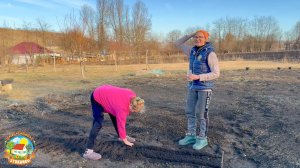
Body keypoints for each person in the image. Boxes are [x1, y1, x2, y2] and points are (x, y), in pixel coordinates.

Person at [175, 30, 220, 150]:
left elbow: (216, 73)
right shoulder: (192, 50)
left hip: (205, 89)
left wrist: (198, 77)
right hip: (192, 87)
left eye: (200, 37)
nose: (197, 39)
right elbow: (177, 43)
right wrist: (189, 35)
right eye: (196, 37)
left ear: (206, 38)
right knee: (190, 112)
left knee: (201, 114)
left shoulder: (210, 53)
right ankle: (191, 135)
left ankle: (202, 138)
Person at [83, 84, 145, 160]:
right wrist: (125, 141)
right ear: (131, 105)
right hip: (97, 97)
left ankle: (121, 136)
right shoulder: (122, 109)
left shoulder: (133, 96)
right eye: (133, 111)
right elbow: (121, 124)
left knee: (115, 115)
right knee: (98, 123)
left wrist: (123, 136)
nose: (132, 112)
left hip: (107, 94)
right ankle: (88, 152)